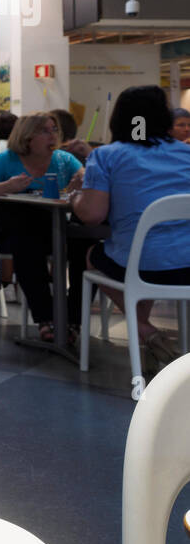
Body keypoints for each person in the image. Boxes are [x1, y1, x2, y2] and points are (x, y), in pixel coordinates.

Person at [70, 86, 190, 377]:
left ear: (118, 118)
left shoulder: (107, 156)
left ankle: (147, 332)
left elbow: (93, 215)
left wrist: (75, 196)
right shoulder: (186, 153)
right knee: (137, 258)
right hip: (187, 266)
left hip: (140, 266)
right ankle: (146, 343)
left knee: (94, 255)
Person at [0, 111, 88, 344]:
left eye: (54, 130)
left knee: (86, 247)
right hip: (8, 232)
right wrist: (5, 186)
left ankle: (73, 318)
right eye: (44, 131)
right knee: (27, 241)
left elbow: (87, 181)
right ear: (27, 136)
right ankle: (45, 317)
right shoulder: (8, 159)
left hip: (54, 230)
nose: (52, 136)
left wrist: (80, 186)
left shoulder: (63, 160)